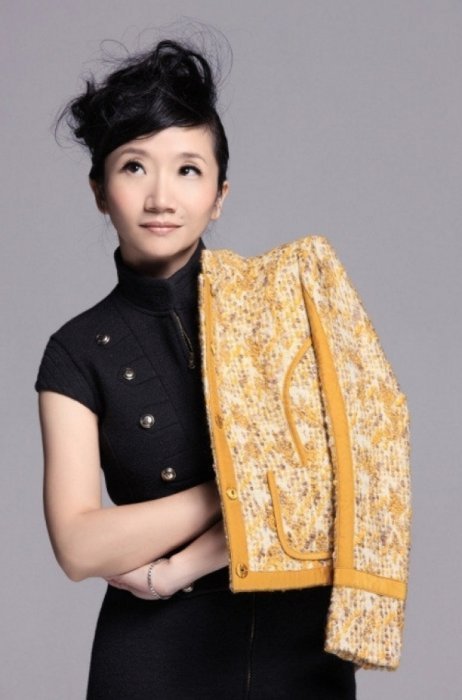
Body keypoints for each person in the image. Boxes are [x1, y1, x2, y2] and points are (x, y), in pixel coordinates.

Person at [35, 35, 409, 699]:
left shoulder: (291, 304)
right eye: (133, 166)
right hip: (151, 662)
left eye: (187, 169)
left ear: (219, 194)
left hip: (301, 656)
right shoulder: (76, 350)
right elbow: (78, 544)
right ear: (99, 191)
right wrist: (245, 492)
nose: (160, 197)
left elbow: (358, 471)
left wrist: (171, 569)